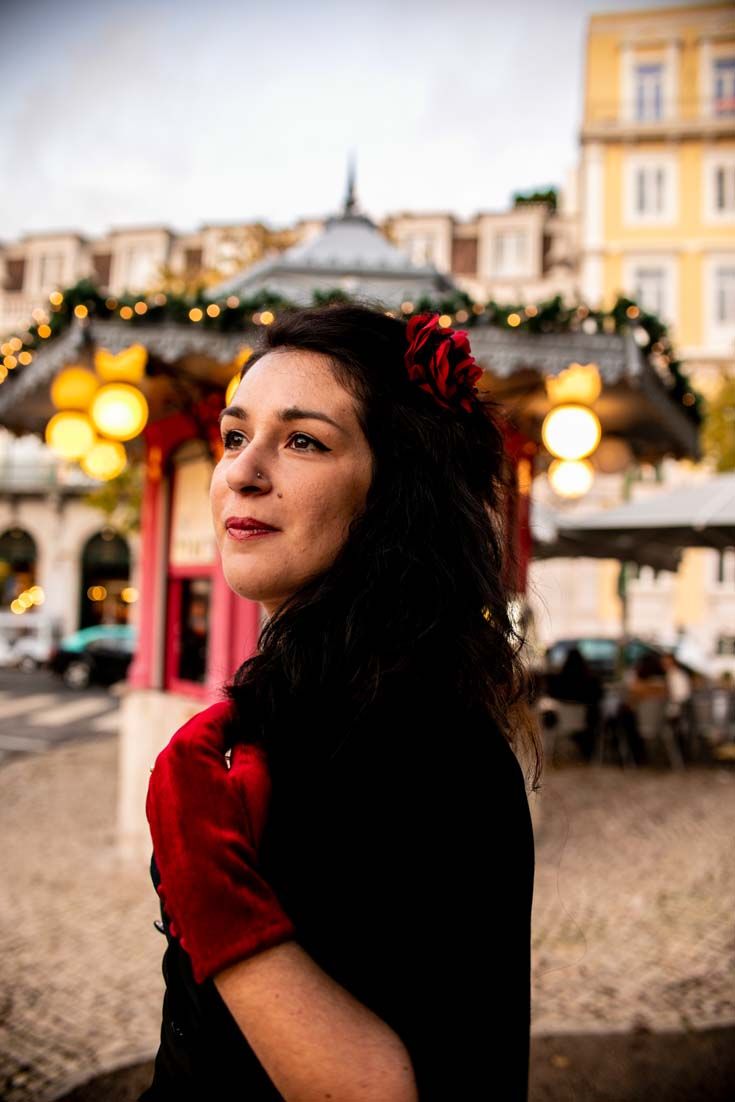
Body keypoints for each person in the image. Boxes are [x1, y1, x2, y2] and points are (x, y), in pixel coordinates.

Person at [141, 304, 542, 1101]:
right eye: (232, 436)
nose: (241, 473)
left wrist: (212, 889)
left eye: (302, 441)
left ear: (393, 494)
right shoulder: (311, 702)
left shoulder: (416, 742)